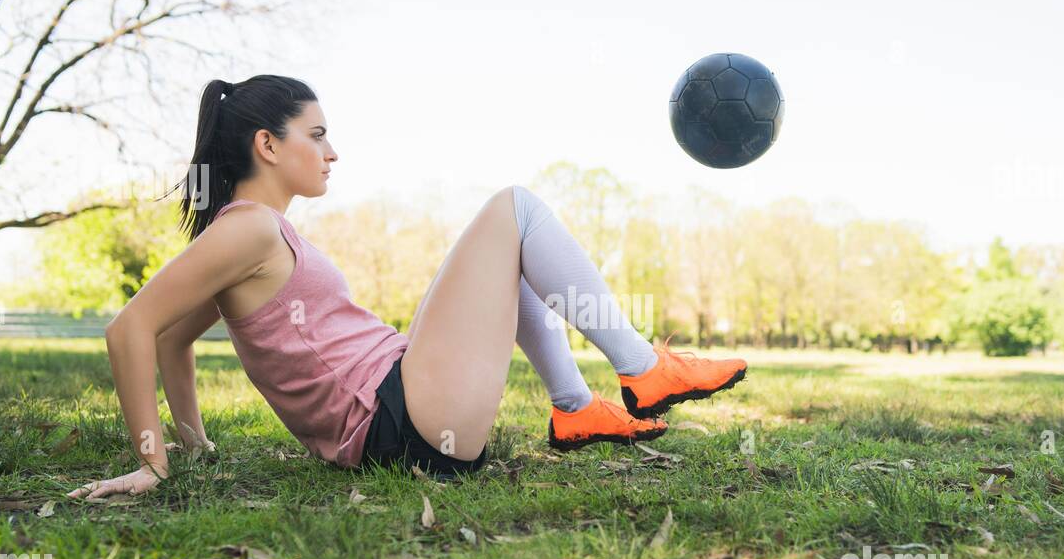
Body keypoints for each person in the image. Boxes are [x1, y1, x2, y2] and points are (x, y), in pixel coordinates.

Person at [67, 74, 747, 498]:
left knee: (510, 247)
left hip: (405, 408)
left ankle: (574, 406)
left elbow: (176, 340)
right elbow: (132, 329)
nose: (333, 152)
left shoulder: (246, 232)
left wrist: (195, 444)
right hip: (402, 423)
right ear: (268, 146)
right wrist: (153, 463)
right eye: (318, 135)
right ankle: (643, 369)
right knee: (517, 209)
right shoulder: (246, 231)